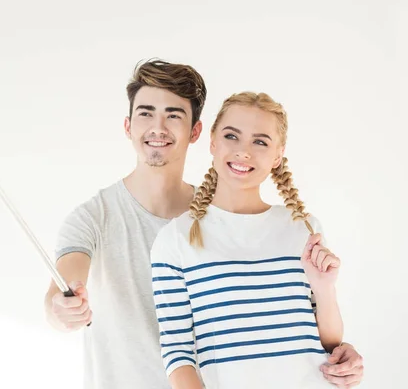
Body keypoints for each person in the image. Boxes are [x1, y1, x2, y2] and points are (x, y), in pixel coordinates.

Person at [43, 60, 364, 389]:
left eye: (173, 115)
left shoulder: (237, 215)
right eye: (145, 113)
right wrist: (62, 309)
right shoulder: (98, 218)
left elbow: (296, 325)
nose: (158, 127)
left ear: (196, 132)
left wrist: (337, 350)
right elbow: (62, 293)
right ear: (127, 126)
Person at [150, 91, 352, 389]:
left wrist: (324, 289)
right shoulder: (175, 240)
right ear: (213, 143)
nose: (244, 151)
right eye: (232, 136)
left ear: (278, 155)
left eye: (260, 141)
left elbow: (331, 341)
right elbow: (177, 353)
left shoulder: (303, 229)